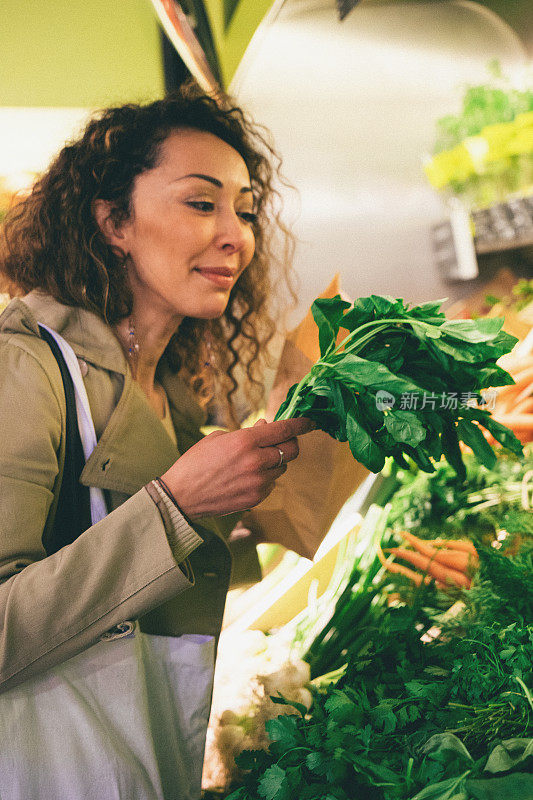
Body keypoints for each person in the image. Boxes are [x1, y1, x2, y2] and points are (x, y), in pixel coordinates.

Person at [0, 82, 313, 799]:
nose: (235, 234)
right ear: (114, 221)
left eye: (245, 208)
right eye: (201, 203)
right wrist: (175, 507)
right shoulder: (25, 364)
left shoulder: (170, 387)